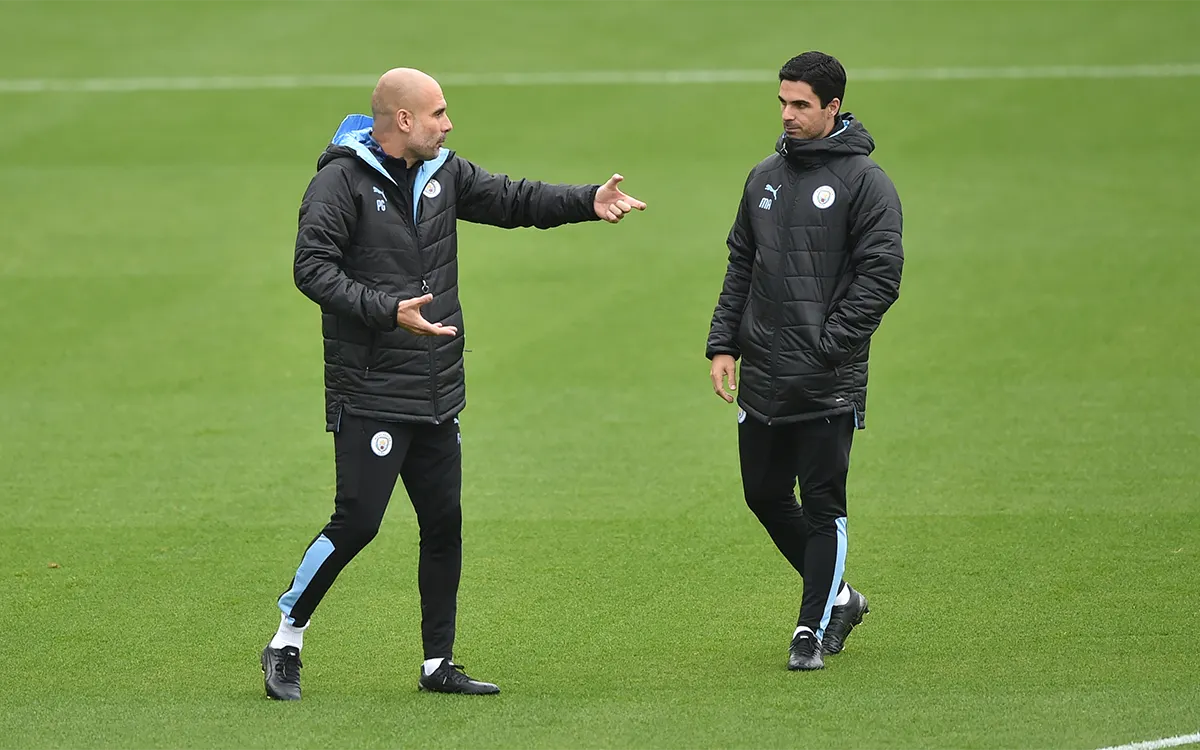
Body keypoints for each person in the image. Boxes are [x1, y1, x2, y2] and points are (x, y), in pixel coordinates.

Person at [261, 67, 646, 700]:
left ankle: (437, 663)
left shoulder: (444, 173)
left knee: (444, 525)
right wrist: (388, 310)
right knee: (357, 522)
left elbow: (513, 199)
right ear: (404, 121)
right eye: (438, 112)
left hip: (438, 388)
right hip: (372, 388)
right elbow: (312, 270)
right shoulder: (338, 182)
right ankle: (286, 639)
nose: (448, 123)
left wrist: (587, 201)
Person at [705, 51, 902, 671]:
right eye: (783, 103)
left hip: (825, 380)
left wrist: (829, 345)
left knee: (822, 505)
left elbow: (881, 276)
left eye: (801, 105)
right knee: (762, 494)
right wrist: (723, 344)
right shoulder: (763, 177)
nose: (788, 115)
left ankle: (810, 630)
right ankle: (842, 597)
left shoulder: (867, 184)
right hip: (762, 371)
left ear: (833, 107)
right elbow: (742, 263)